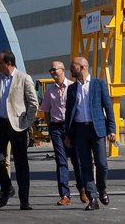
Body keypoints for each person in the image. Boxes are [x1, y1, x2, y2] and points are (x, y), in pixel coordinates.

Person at [0, 50, 38, 210]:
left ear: (8, 63)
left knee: (21, 163)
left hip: (18, 125)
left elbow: (33, 103)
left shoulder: (24, 78)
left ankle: (24, 200)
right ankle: (7, 187)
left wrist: (27, 123)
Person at [64, 56, 116, 211]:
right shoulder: (72, 88)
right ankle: (92, 198)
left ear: (83, 67)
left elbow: (108, 108)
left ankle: (102, 189)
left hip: (97, 129)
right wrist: (68, 134)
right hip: (80, 130)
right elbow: (68, 113)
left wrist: (112, 129)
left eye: (73, 66)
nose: (71, 69)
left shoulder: (98, 84)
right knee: (85, 166)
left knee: (102, 163)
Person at [41, 59, 84, 206]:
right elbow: (46, 111)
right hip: (56, 127)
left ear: (63, 70)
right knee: (61, 161)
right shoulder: (49, 91)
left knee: (77, 160)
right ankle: (65, 195)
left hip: (72, 127)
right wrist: (50, 125)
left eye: (54, 70)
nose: (52, 72)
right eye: (50, 70)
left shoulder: (73, 87)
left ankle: (82, 188)